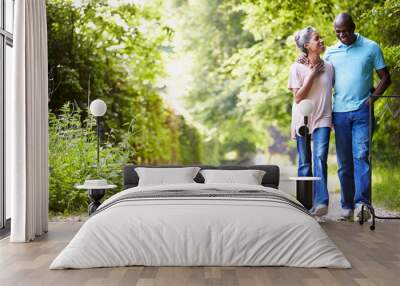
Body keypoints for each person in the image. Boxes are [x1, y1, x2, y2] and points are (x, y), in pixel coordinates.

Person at [324, 13, 391, 221]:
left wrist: (372, 100)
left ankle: (362, 203)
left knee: (361, 156)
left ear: (353, 27)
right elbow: (320, 78)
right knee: (344, 162)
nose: (341, 35)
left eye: (345, 30)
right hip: (340, 113)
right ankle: (347, 206)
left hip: (362, 111)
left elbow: (385, 78)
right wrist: (303, 58)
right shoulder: (331, 52)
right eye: (337, 32)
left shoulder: (371, 47)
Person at [288, 27, 334, 217]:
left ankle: (321, 202)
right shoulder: (296, 67)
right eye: (317, 39)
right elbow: (298, 97)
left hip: (323, 117)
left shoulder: (330, 67)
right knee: (305, 162)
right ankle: (305, 206)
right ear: (307, 46)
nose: (321, 40)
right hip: (303, 119)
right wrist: (311, 75)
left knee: (320, 157)